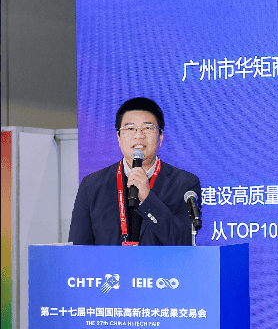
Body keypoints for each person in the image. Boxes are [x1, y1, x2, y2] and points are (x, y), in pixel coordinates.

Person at [69, 97, 201, 245]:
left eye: (148, 128)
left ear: (161, 136)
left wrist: (148, 198)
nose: (139, 135)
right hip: (110, 262)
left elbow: (184, 242)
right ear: (118, 137)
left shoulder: (185, 183)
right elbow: (78, 246)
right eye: (130, 128)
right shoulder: (92, 185)